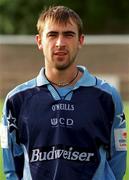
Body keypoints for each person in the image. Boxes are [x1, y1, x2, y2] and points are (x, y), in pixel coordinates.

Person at [1, 5, 127, 180]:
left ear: (81, 40)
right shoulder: (16, 100)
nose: (60, 43)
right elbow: (11, 168)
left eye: (68, 34)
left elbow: (118, 157)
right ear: (39, 41)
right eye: (52, 35)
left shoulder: (107, 97)